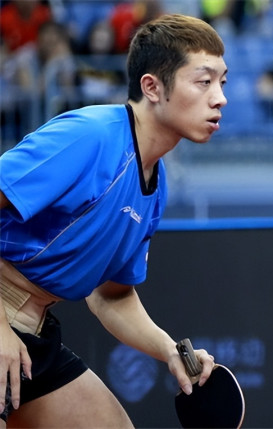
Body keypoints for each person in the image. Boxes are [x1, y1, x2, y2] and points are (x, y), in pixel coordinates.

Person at [0, 13, 227, 427]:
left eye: (222, 82)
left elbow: (111, 295)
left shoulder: (155, 186)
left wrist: (170, 350)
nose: (220, 98)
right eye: (204, 81)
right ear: (152, 87)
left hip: (33, 329)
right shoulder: (91, 136)